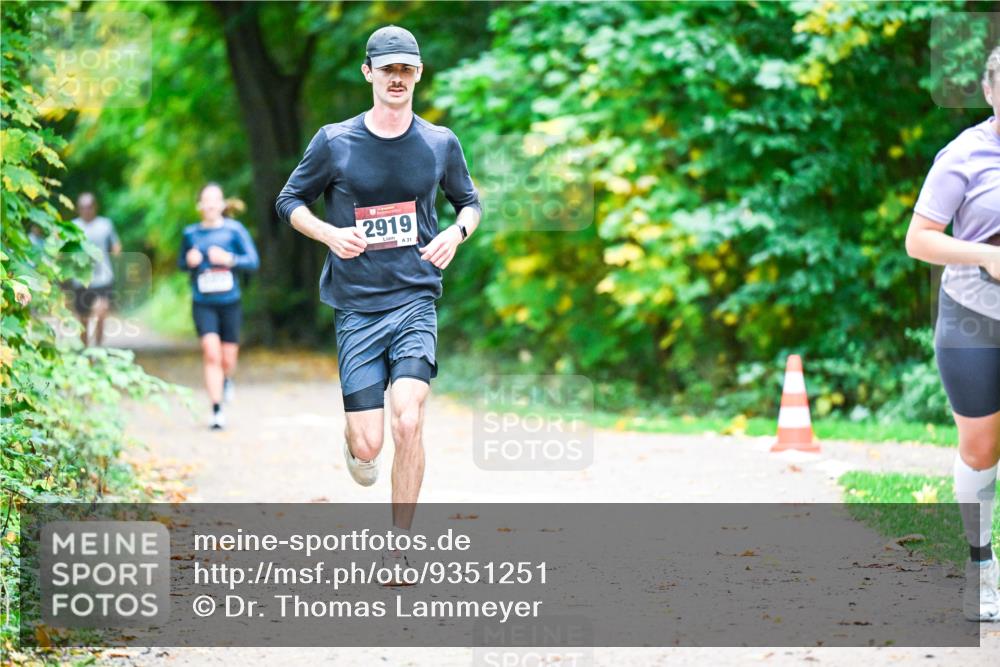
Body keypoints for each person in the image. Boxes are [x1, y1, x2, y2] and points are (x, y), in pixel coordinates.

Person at [275, 25, 482, 563]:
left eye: (406, 69)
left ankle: (400, 546)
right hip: (357, 307)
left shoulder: (440, 143)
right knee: (369, 446)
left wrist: (454, 235)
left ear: (418, 74)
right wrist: (329, 233)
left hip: (414, 299)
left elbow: (470, 204)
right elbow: (289, 199)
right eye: (387, 68)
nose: (397, 78)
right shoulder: (335, 141)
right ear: (368, 72)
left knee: (409, 418)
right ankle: (355, 445)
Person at [905, 46, 1000, 622]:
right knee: (981, 448)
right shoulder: (964, 154)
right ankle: (980, 566)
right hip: (974, 318)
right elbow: (919, 240)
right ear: (992, 91)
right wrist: (984, 258)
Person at [179, 183, 259, 430]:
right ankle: (216, 410)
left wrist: (229, 259)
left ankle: (227, 379)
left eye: (216, 199)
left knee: (227, 358)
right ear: (199, 206)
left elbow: (253, 262)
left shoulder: (234, 231)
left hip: (229, 303)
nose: (211, 204)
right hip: (203, 303)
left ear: (223, 204)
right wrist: (189, 262)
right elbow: (182, 263)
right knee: (211, 353)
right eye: (206, 200)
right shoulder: (190, 234)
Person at [70, 193, 121, 346]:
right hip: (80, 279)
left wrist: (116, 253)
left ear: (95, 207)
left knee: (101, 312)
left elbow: (116, 245)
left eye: (89, 207)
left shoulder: (105, 224)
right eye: (83, 207)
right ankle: (85, 352)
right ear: (78, 209)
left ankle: (98, 348)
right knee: (83, 319)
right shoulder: (72, 227)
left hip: (103, 277)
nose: (87, 210)